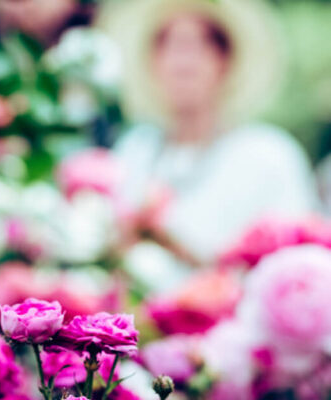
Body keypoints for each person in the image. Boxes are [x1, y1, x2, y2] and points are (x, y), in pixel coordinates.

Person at [98, 0, 320, 286]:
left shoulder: (269, 154)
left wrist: (175, 246)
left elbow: (292, 269)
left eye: (200, 45)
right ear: (152, 61)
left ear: (225, 60)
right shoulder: (135, 149)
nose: (183, 62)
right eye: (169, 45)